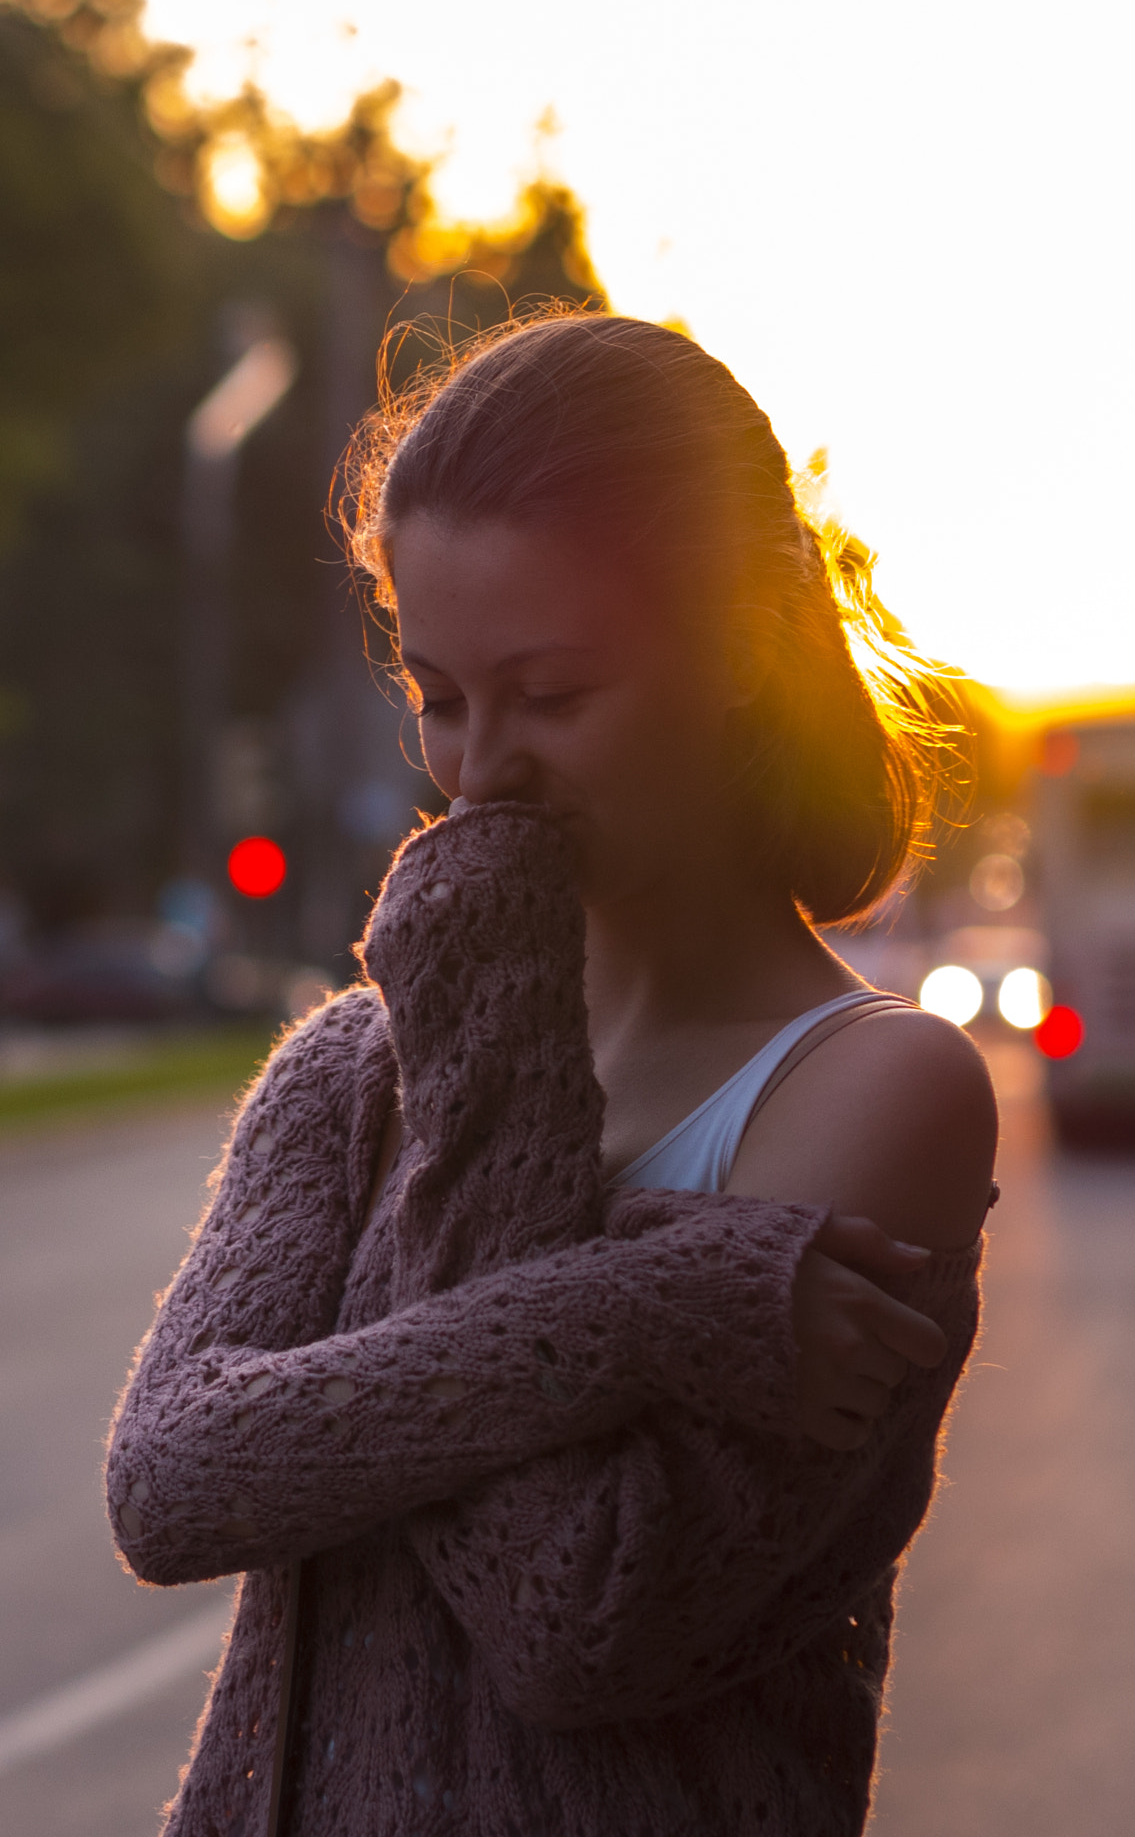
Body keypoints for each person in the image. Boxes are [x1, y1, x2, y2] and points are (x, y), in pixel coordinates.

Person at [107, 311, 997, 1837]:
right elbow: (177, 1478)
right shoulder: (356, 1072)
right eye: (444, 697)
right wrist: (662, 1302)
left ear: (737, 649)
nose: (479, 770)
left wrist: (494, 1055)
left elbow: (581, 1615)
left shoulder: (878, 1090)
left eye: (554, 695)